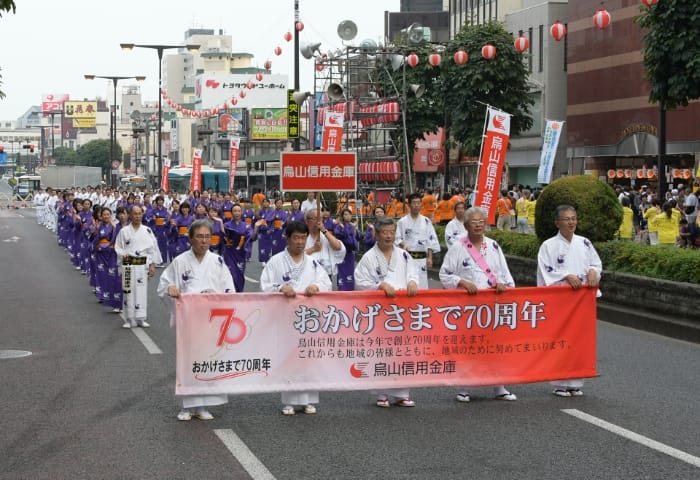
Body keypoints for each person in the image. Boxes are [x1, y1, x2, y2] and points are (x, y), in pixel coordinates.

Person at [158, 219, 235, 421]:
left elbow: (229, 290)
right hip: (189, 321)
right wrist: (170, 289)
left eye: (207, 237)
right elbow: (164, 285)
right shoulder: (180, 261)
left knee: (208, 361)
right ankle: (187, 405)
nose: (204, 241)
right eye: (199, 237)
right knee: (188, 361)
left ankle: (202, 405)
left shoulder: (217, 262)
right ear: (190, 239)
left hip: (212, 321)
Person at [439, 206, 518, 403]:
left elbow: (505, 273)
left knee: (495, 346)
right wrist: (461, 282)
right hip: (469, 307)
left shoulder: (493, 246)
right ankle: (465, 387)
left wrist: (504, 285)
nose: (479, 225)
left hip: (492, 306)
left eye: (482, 221)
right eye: (474, 222)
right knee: (470, 346)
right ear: (466, 225)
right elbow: (444, 273)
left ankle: (499, 385)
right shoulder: (458, 247)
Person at [260, 221, 332, 415]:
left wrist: (316, 286)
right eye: (296, 238)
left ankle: (308, 399)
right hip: (285, 317)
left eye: (303, 238)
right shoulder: (276, 261)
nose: (300, 242)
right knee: (289, 357)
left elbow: (325, 281)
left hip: (308, 318)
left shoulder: (313, 262)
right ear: (287, 239)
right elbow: (266, 284)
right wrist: (280, 288)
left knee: (308, 357)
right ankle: (290, 400)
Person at [537, 204, 602, 397]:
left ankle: (575, 381)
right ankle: (559, 381)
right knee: (561, 339)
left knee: (579, 340)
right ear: (557, 222)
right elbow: (545, 270)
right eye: (567, 219)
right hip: (561, 300)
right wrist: (566, 275)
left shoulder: (584, 243)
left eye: (574, 218)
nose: (571, 222)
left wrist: (593, 272)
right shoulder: (548, 245)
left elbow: (596, 263)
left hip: (582, 300)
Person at [355, 216, 419, 408]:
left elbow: (413, 273)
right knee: (382, 351)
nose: (389, 236)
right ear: (377, 234)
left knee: (403, 351)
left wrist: (412, 282)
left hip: (401, 311)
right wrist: (379, 285)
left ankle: (402, 393)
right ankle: (382, 393)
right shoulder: (368, 257)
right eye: (385, 232)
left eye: (392, 232)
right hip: (380, 311)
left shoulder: (403, 255)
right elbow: (360, 281)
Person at [115, 204, 162, 329]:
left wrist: (152, 264)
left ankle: (141, 318)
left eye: (139, 213)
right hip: (128, 263)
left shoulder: (147, 230)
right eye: (135, 213)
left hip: (142, 264)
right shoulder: (124, 231)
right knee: (128, 291)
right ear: (130, 215)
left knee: (141, 291)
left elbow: (153, 249)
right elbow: (118, 247)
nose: (137, 216)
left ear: (142, 215)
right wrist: (123, 255)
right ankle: (128, 318)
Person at [395, 192, 440, 289]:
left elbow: (431, 240)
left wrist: (430, 257)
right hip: (406, 257)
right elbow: (396, 238)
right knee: (407, 284)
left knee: (422, 285)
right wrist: (403, 244)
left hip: (421, 259)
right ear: (409, 205)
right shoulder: (402, 222)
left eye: (418, 203)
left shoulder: (426, 221)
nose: (416, 205)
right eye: (414, 203)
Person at [303, 209, 346, 281]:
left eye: (320, 218)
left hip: (325, 274)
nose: (318, 221)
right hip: (308, 275)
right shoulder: (302, 236)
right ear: (306, 221)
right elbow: (296, 256)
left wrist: (324, 231)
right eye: (315, 218)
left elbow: (338, 247)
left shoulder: (325, 235)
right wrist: (313, 249)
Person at [333, 208, 360, 290]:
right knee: (341, 270)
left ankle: (350, 287)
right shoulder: (339, 226)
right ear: (342, 216)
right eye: (345, 214)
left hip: (350, 252)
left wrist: (354, 229)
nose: (347, 216)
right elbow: (338, 235)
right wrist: (345, 230)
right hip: (342, 252)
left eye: (349, 214)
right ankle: (341, 287)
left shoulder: (353, 226)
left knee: (350, 270)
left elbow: (357, 238)